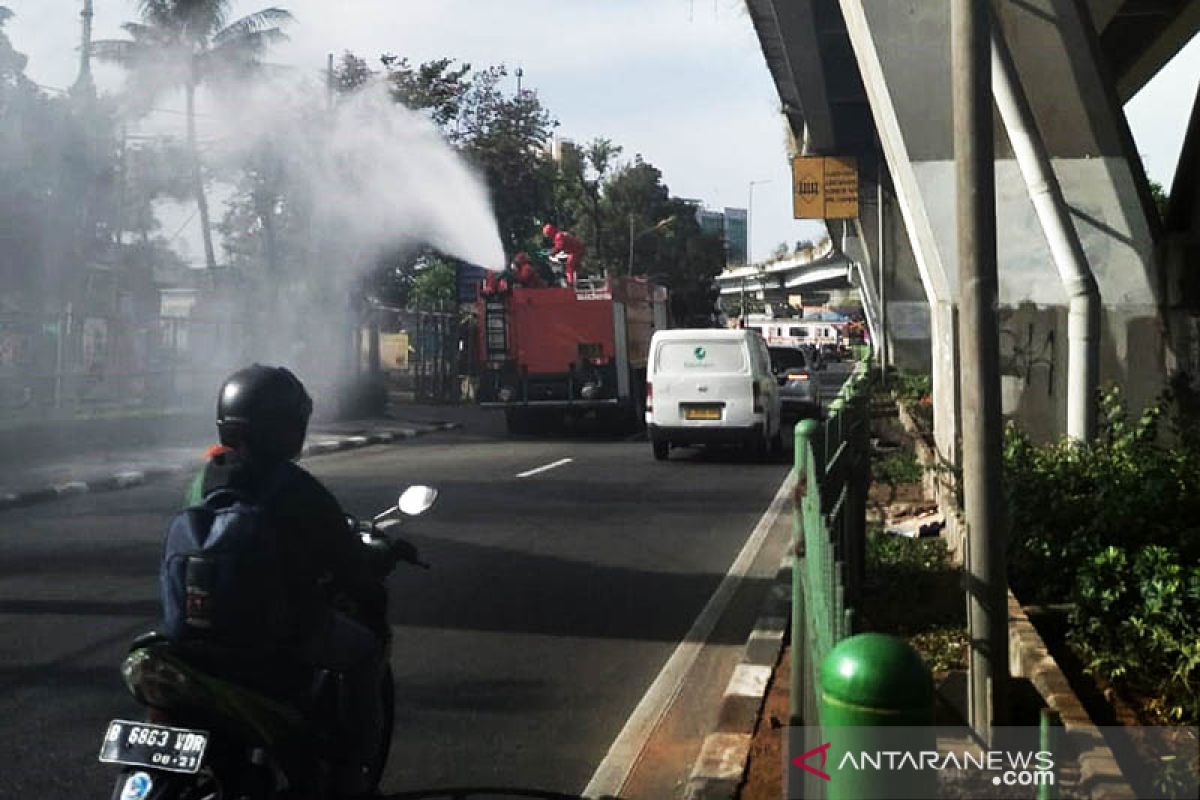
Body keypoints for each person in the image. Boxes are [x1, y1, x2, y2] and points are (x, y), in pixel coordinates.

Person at [186, 365, 397, 798]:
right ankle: (350, 773)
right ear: (286, 427)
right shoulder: (293, 488)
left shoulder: (203, 479)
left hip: (188, 635)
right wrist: (370, 576)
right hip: (270, 636)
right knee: (365, 652)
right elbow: (346, 560)